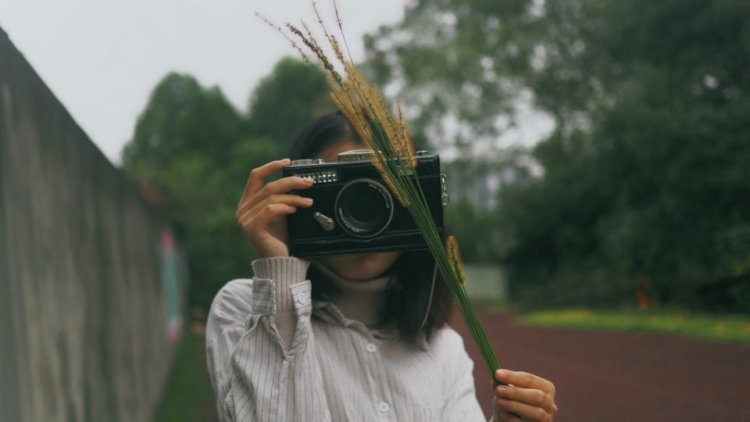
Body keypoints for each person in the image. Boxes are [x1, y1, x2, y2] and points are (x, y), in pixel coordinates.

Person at [206, 111, 558, 421]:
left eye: (380, 191)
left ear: (419, 200)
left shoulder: (442, 347)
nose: (363, 215)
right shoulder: (244, 309)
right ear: (294, 194)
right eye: (345, 192)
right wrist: (280, 274)